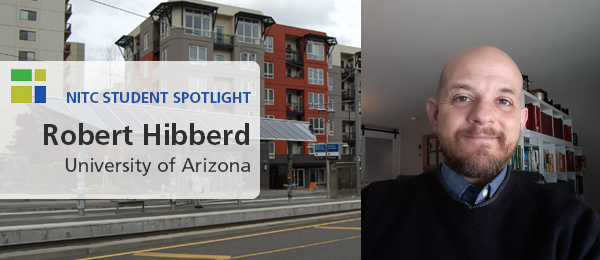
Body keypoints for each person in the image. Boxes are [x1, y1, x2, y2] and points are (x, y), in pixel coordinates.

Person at [362, 46, 600, 259]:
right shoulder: (371, 208)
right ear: (435, 115)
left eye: (504, 101)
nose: (483, 115)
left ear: (521, 120)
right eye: (462, 97)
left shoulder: (577, 227)